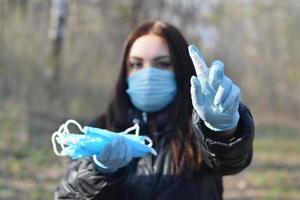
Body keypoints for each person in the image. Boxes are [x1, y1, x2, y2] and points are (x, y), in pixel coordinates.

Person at [54, 21, 254, 200]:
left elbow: (232, 162)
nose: (147, 74)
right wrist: (98, 171)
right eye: (136, 64)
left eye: (163, 64)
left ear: (180, 70)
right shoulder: (101, 129)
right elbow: (66, 196)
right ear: (126, 72)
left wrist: (223, 130)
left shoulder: (196, 129)